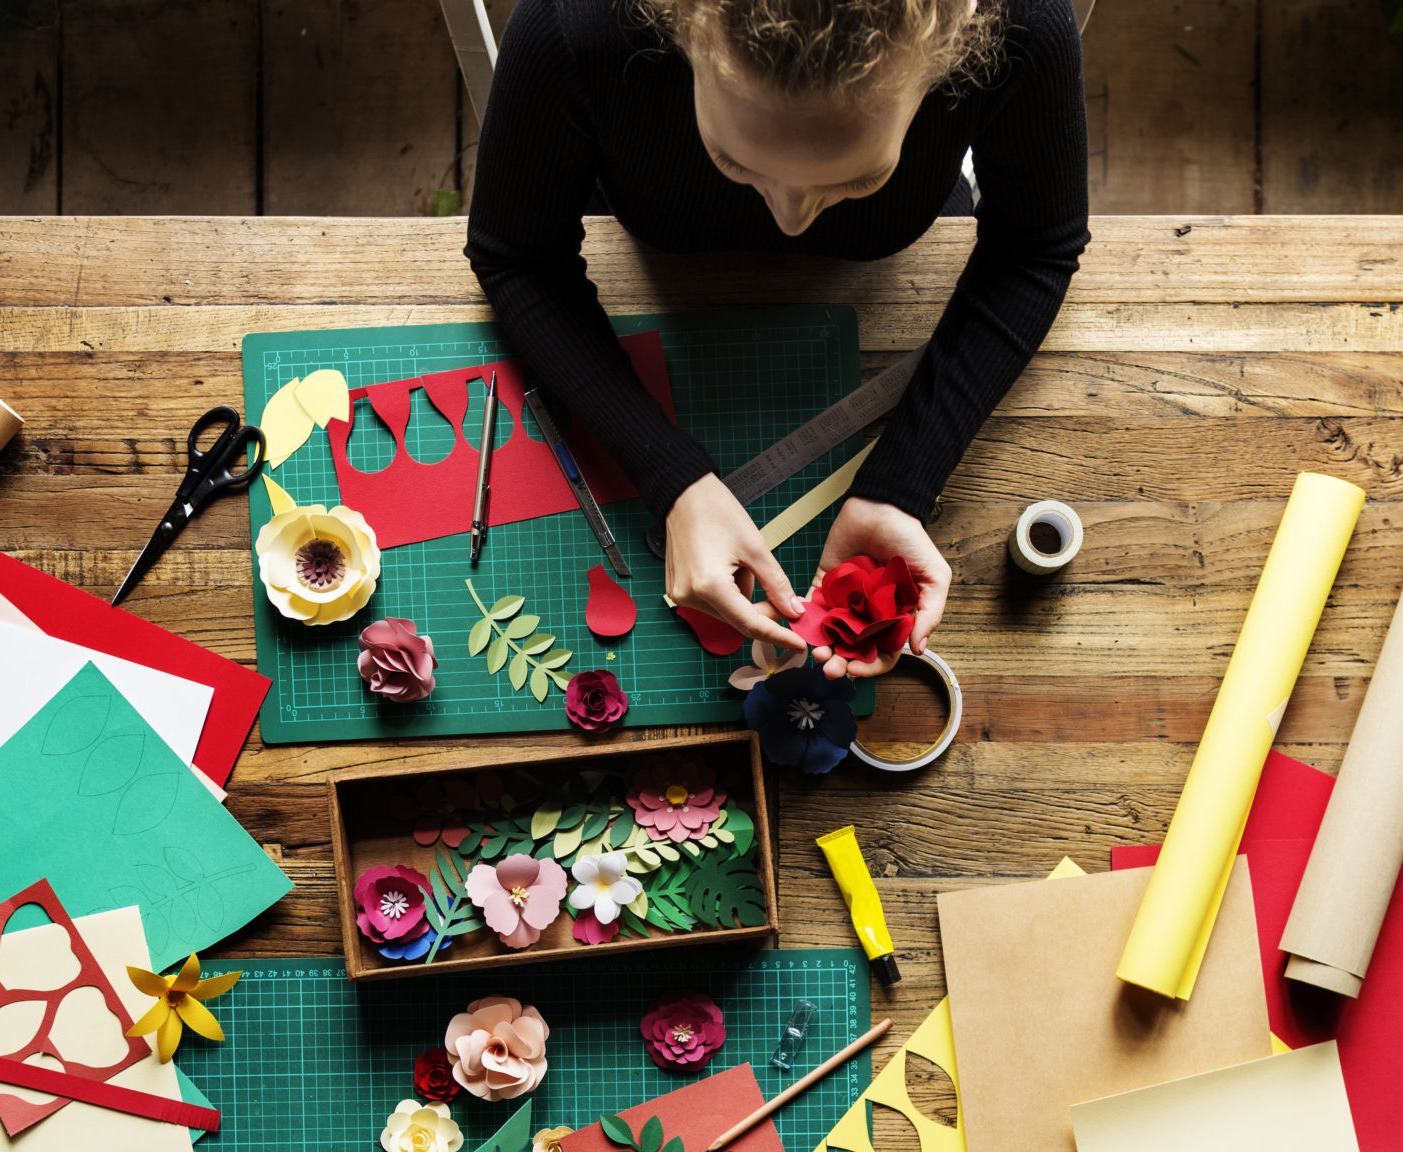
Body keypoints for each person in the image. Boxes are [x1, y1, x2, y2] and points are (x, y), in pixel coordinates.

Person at [465, 0, 1089, 678]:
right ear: (677, 27)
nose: (791, 222)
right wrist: (671, 478)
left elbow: (1033, 250)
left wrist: (903, 481)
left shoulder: (1017, 22)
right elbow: (518, 255)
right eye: (733, 161)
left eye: (858, 178)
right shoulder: (573, 21)